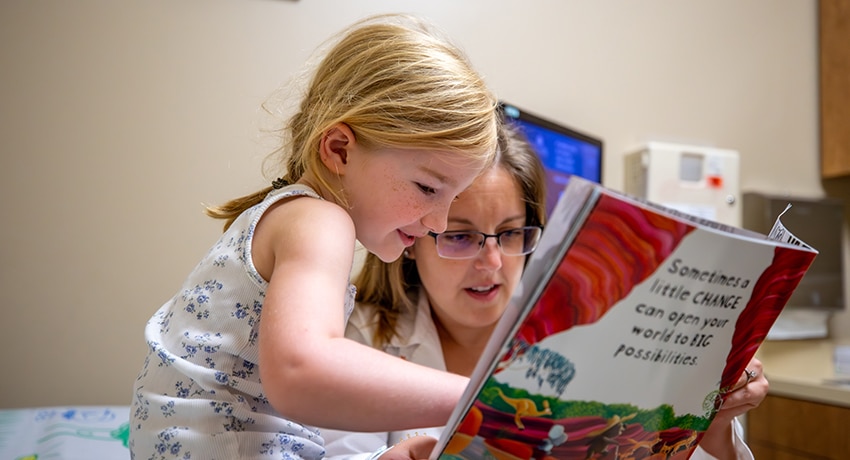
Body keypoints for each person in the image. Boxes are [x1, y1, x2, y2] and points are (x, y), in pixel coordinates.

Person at [129, 13, 501, 460]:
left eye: (452, 198)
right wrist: (477, 396)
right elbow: (301, 373)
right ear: (340, 149)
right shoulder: (318, 221)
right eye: (427, 188)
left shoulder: (289, 216)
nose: (438, 223)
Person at [321, 123, 769, 460]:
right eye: (460, 237)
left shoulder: (594, 333)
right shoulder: (357, 336)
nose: (492, 263)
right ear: (413, 240)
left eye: (512, 234)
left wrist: (714, 430)